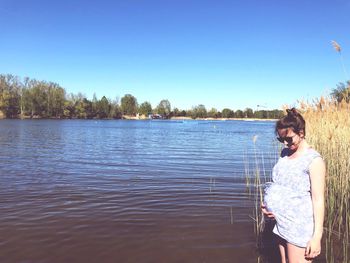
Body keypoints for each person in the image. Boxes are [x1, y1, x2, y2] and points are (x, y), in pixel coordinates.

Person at [261, 108, 326, 263]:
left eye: (289, 138)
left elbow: (318, 201)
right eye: (281, 139)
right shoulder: (285, 153)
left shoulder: (314, 160)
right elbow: (279, 184)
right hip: (280, 223)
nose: (285, 143)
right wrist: (267, 206)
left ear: (301, 133)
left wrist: (317, 237)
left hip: (299, 226)